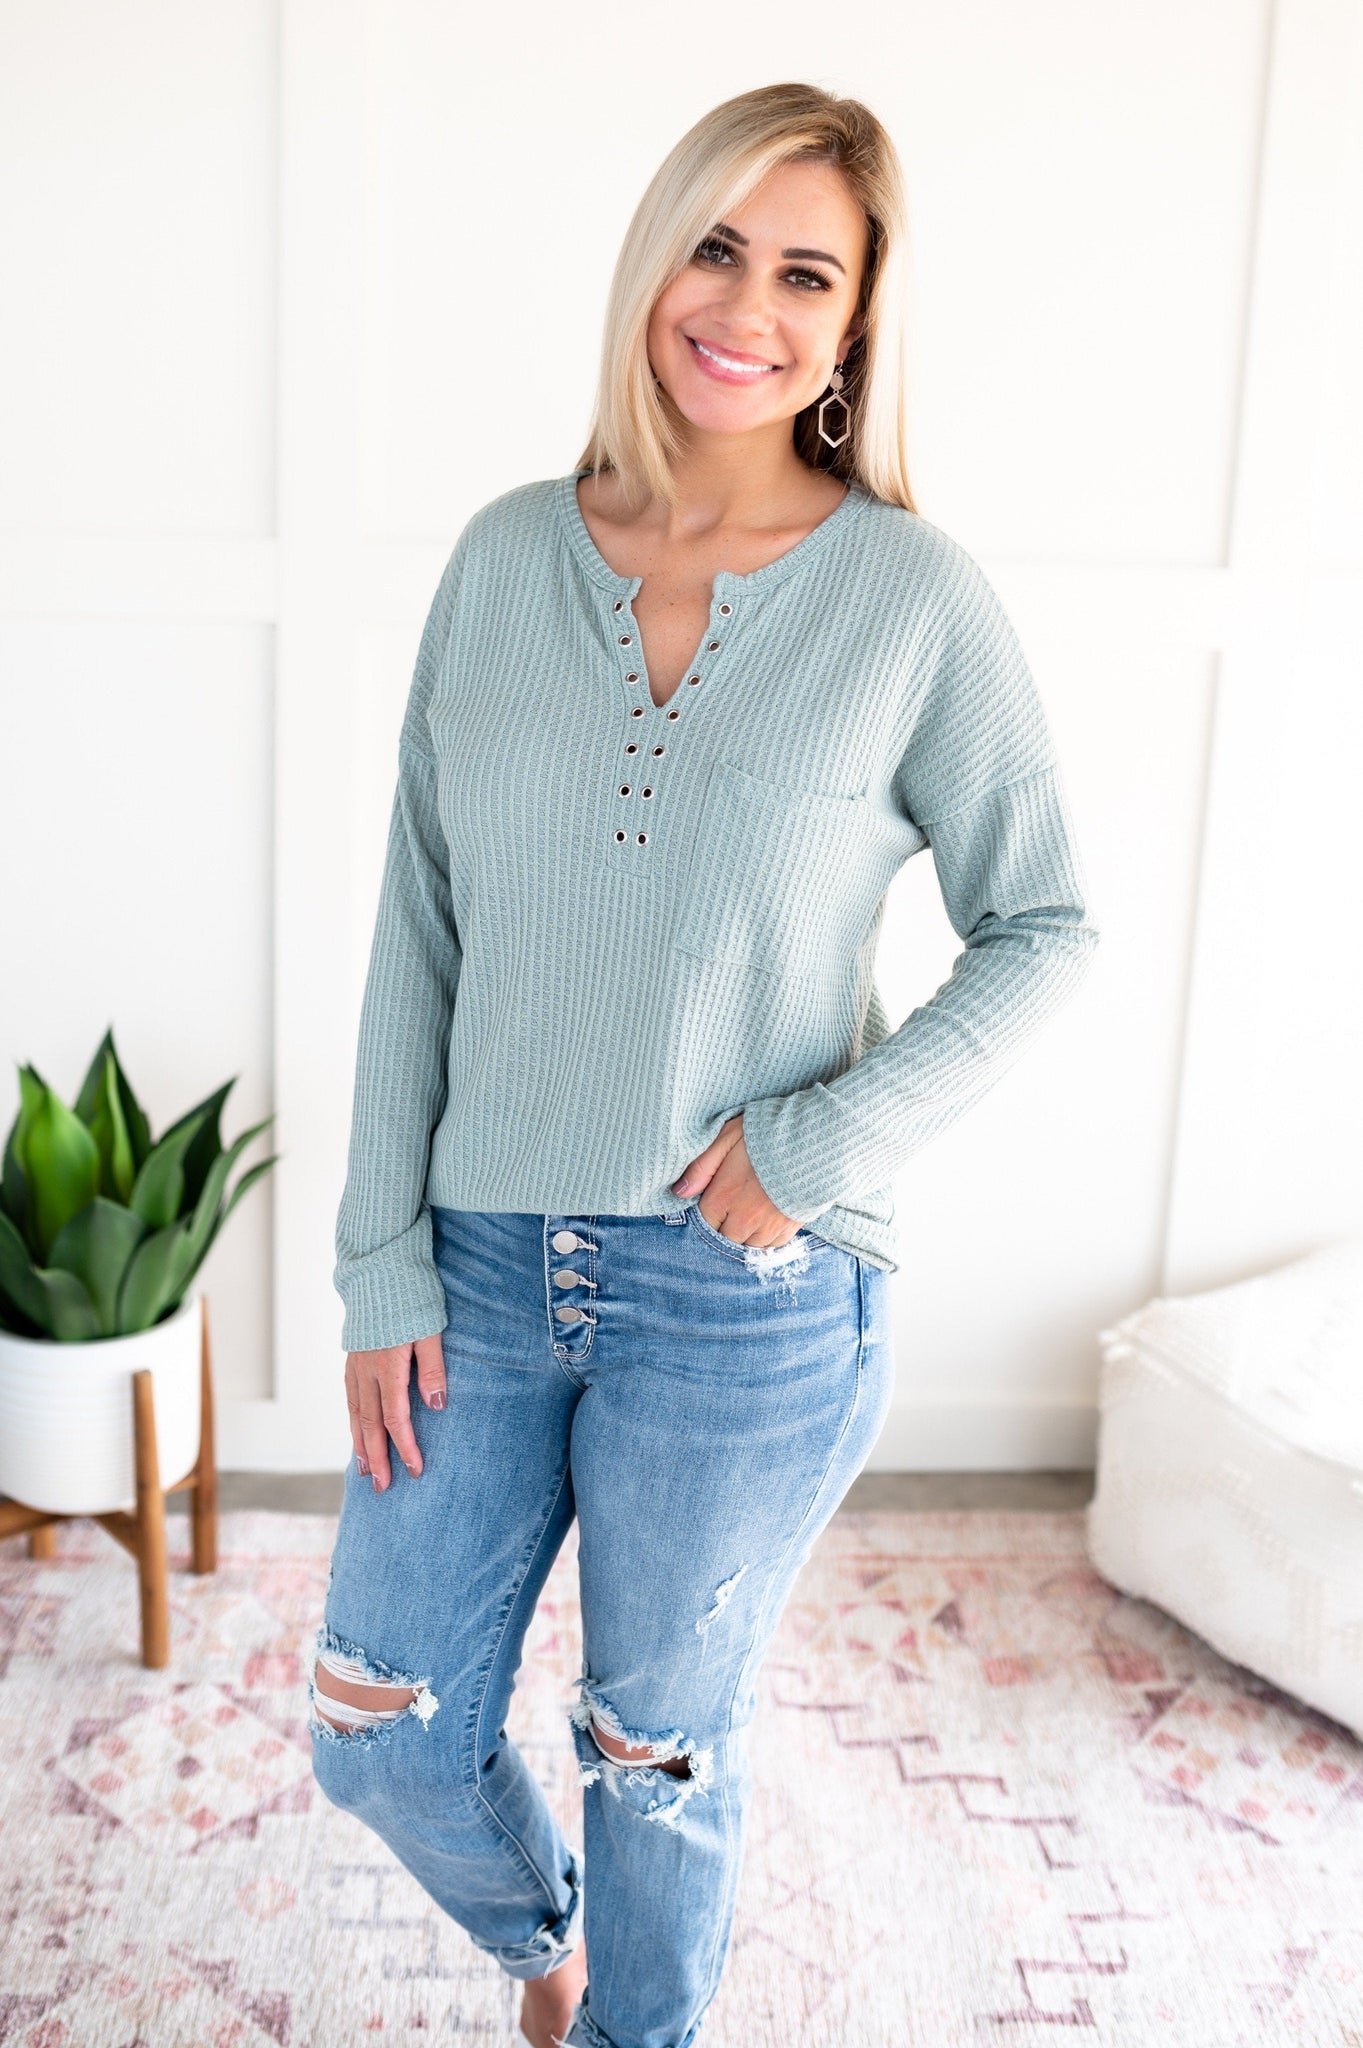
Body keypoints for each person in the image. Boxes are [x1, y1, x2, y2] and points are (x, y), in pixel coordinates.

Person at [308, 80, 1100, 2048]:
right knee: (379, 1722)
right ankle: (548, 1951)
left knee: (654, 1746)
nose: (746, 304)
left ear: (854, 327)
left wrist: (816, 1142)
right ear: (653, 259)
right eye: (717, 245)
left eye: (806, 273)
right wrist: (379, 1261)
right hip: (479, 1265)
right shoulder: (503, 559)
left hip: (744, 1290)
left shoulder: (914, 599)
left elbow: (1047, 925)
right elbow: (417, 926)